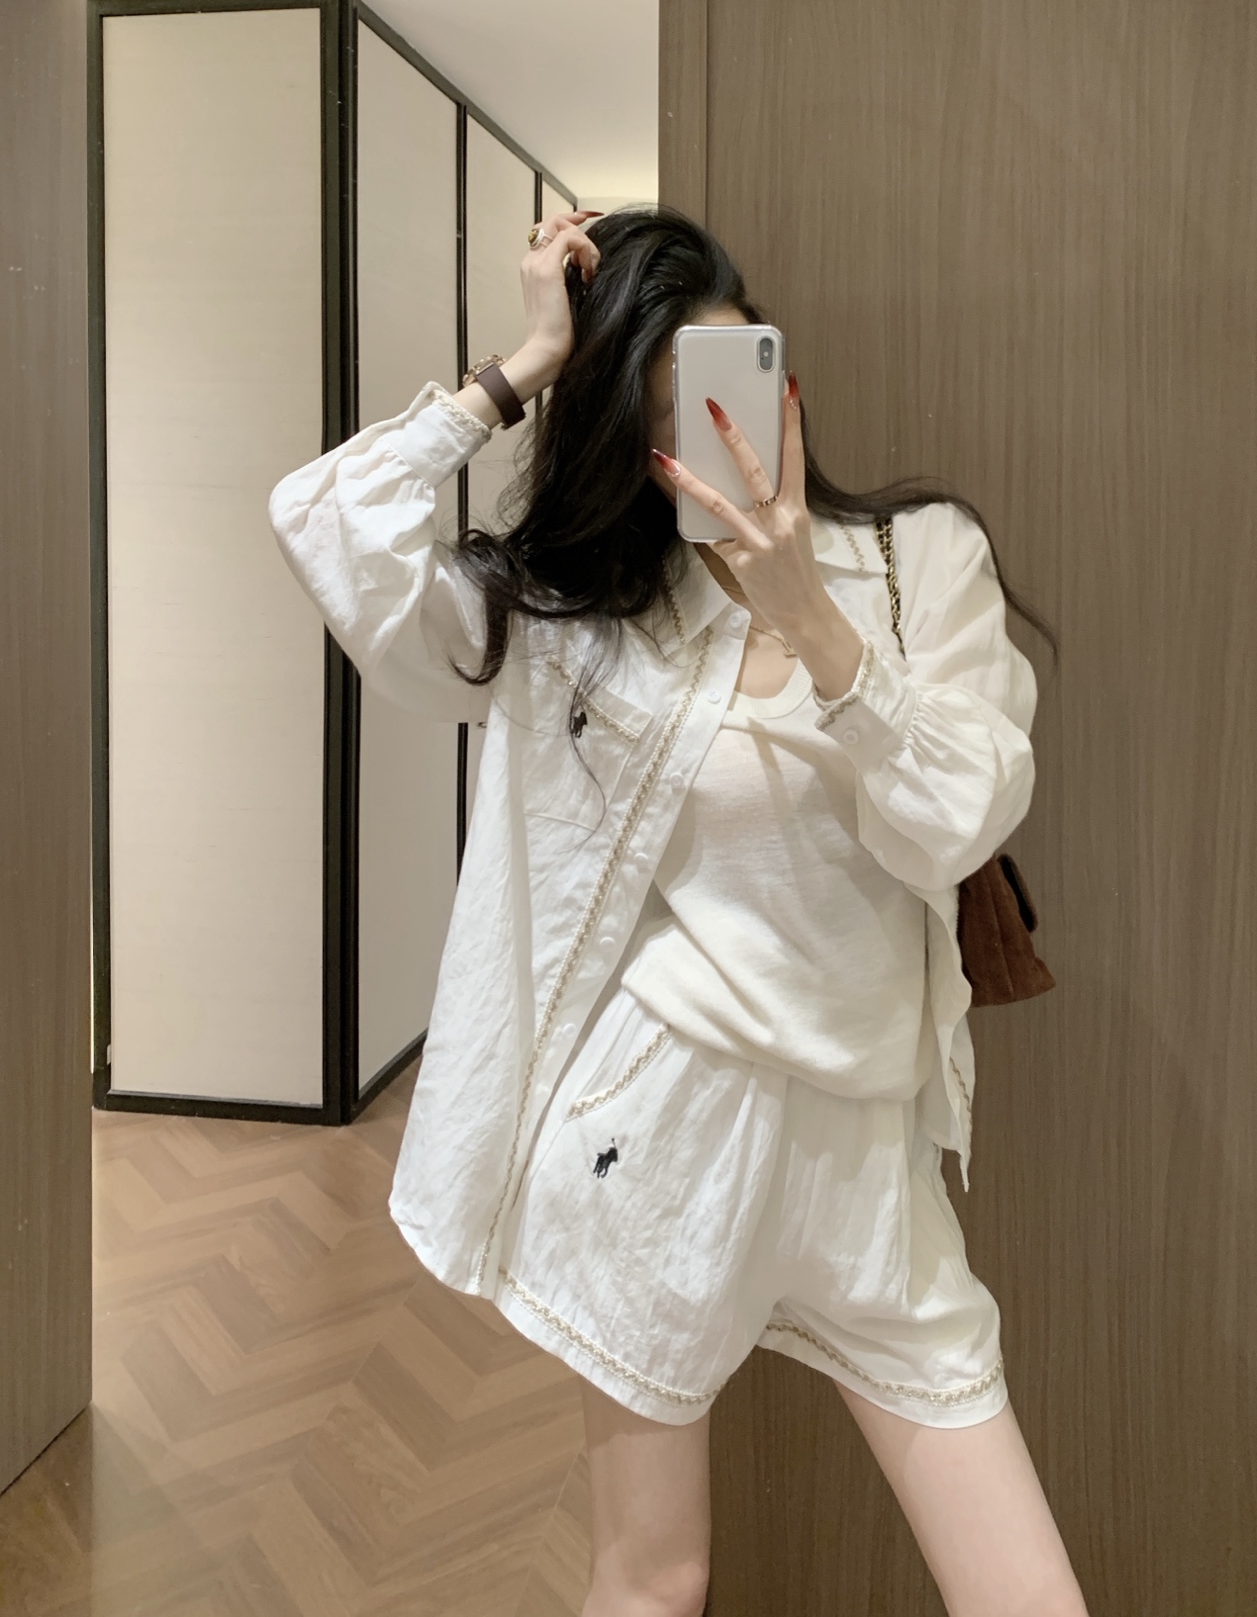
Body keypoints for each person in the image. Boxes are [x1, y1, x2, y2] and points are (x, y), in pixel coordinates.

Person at [268, 205, 1087, 1617]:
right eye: (656, 422)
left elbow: (965, 814)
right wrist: (523, 365)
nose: (705, 443)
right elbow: (329, 526)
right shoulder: (583, 618)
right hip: (656, 1146)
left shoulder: (917, 561)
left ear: (779, 377)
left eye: (724, 388)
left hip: (870, 1165)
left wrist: (813, 620)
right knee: (654, 1578)